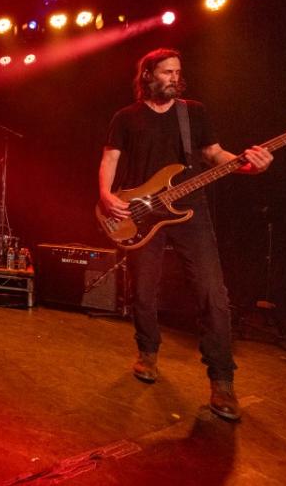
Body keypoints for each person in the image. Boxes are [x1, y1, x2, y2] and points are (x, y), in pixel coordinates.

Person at [98, 48, 272, 421]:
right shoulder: (126, 117)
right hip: (142, 212)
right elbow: (110, 158)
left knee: (213, 293)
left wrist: (247, 166)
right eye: (167, 72)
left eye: (178, 72)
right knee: (144, 288)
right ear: (148, 75)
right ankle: (147, 353)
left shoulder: (193, 112)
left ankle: (222, 381)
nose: (174, 78)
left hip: (192, 211)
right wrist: (106, 195)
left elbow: (214, 153)